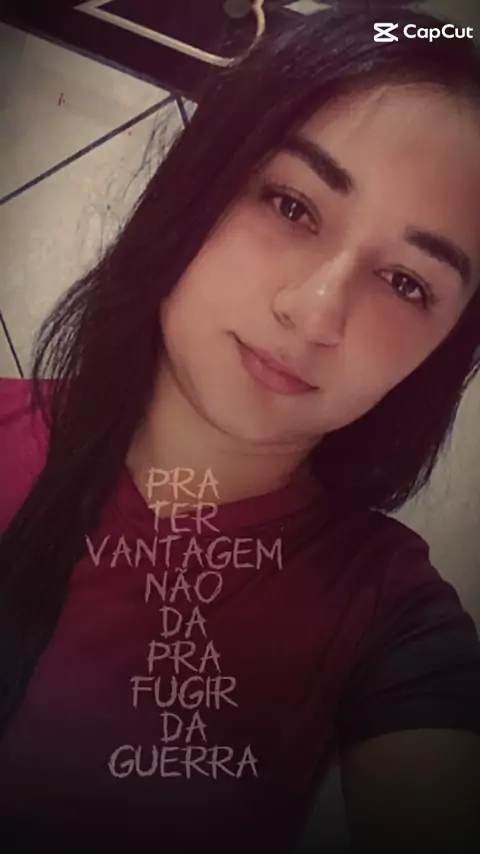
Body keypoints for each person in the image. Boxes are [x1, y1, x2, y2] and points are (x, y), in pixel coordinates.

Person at [0, 5, 480, 853]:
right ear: (204, 182)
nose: (314, 312)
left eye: (407, 283)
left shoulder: (390, 617)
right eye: (292, 205)